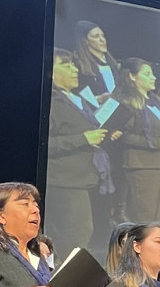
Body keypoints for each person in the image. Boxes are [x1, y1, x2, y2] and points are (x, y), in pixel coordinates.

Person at [45, 48, 111, 255]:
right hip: (64, 179)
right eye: (66, 65)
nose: (74, 69)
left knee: (82, 233)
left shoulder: (77, 99)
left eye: (74, 64)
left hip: (84, 177)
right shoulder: (51, 102)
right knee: (77, 233)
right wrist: (83, 139)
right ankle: (62, 279)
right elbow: (45, 144)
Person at [110, 58, 160, 223]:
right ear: (132, 77)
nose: (153, 77)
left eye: (153, 74)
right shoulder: (125, 103)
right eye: (147, 74)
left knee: (158, 216)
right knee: (145, 216)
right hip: (142, 165)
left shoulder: (154, 101)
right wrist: (158, 142)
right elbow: (123, 136)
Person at [73, 21, 119, 96]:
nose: (102, 40)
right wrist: (98, 99)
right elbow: (78, 94)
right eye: (96, 36)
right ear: (85, 41)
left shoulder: (113, 63)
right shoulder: (79, 65)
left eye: (103, 36)